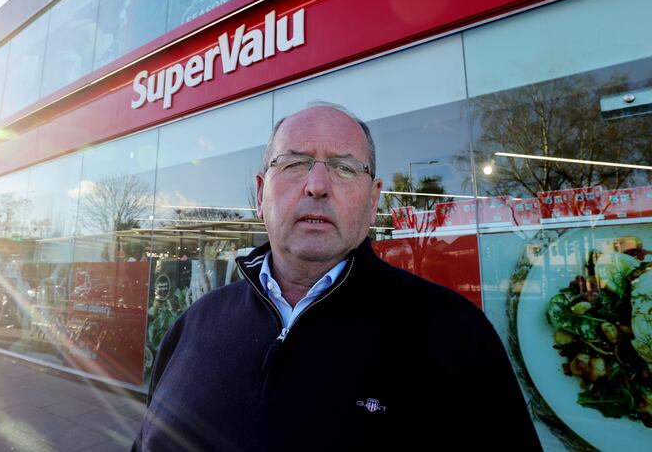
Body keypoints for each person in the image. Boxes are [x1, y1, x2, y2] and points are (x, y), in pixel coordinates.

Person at [134, 104, 540, 451]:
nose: (317, 186)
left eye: (344, 168)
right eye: (294, 164)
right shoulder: (195, 324)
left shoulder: (454, 335)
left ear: (373, 201)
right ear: (261, 195)